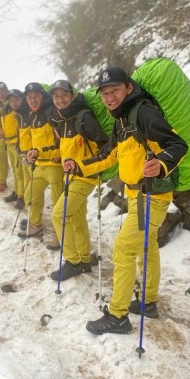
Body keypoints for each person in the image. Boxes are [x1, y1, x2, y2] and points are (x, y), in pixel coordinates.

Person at [65, 67, 188, 335]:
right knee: (146, 248)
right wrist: (79, 166)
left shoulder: (143, 112)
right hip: (137, 196)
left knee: (123, 250)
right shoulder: (121, 121)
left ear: (128, 88)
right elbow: (107, 156)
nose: (109, 97)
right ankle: (147, 302)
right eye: (105, 93)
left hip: (151, 196)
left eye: (115, 91)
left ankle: (118, 315)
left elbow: (177, 145)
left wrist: (162, 163)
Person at [43, 80, 109, 279]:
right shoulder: (61, 121)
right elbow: (63, 148)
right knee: (76, 218)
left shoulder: (83, 117)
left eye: (64, 95)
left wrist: (85, 164)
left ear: (72, 96)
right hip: (71, 176)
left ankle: (72, 261)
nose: (60, 99)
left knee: (59, 215)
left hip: (86, 177)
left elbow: (104, 146)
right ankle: (83, 259)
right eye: (56, 96)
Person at [17, 82, 63, 243]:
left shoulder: (53, 112)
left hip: (55, 164)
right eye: (29, 97)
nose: (33, 100)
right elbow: (36, 141)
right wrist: (31, 152)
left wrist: (62, 154)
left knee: (59, 203)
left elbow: (63, 139)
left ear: (43, 96)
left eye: (36, 96)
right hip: (40, 165)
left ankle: (61, 234)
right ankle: (36, 224)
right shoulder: (32, 115)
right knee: (30, 194)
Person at [1, 89, 30, 209]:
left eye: (17, 99)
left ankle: (22, 196)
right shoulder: (5, 109)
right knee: (15, 170)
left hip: (19, 145)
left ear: (22, 98)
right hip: (10, 143)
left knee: (22, 172)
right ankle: (16, 192)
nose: (14, 103)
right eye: (11, 101)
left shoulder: (23, 112)